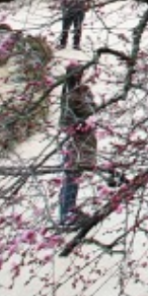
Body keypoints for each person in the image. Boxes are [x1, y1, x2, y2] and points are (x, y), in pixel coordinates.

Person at [58, 63, 97, 228]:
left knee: (73, 176)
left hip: (81, 140)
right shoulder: (70, 95)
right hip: (75, 142)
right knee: (71, 176)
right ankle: (67, 214)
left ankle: (69, 210)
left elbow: (93, 109)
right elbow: (66, 121)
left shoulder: (81, 91)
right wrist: (80, 125)